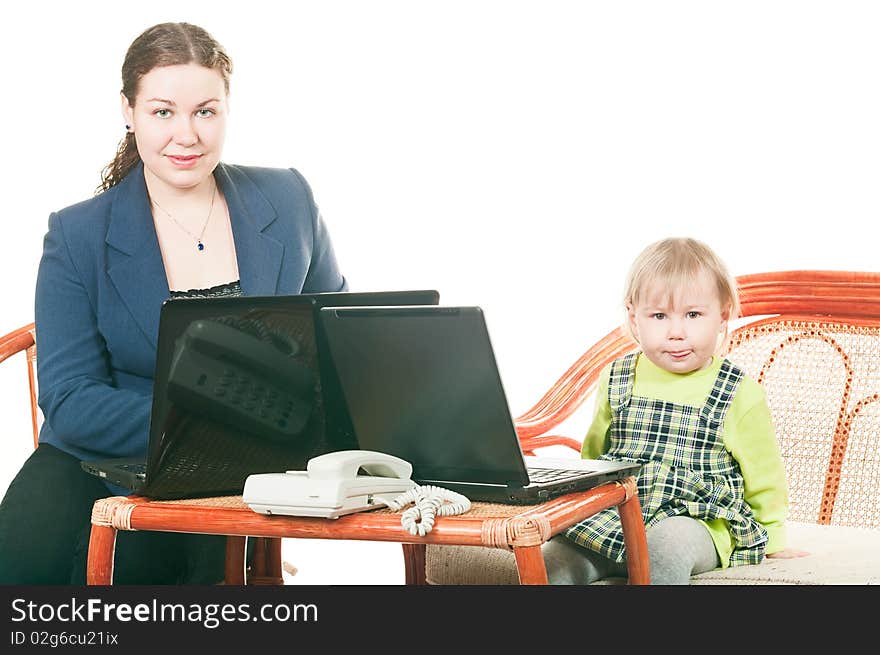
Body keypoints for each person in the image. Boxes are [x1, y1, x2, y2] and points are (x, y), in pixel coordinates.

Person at [0, 22, 346, 584]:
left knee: (152, 571)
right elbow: (69, 399)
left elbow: (339, 345)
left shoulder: (287, 199)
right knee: (25, 557)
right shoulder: (78, 233)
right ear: (128, 111)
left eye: (205, 112)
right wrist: (207, 420)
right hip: (99, 456)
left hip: (239, 471)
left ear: (227, 109)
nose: (186, 135)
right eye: (163, 112)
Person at [542, 237, 805, 584]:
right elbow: (594, 457)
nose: (677, 332)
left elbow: (765, 476)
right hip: (619, 512)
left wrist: (774, 536)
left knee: (665, 550)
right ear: (635, 319)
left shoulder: (737, 391)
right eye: (659, 315)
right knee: (553, 561)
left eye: (693, 314)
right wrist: (584, 505)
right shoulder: (617, 377)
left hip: (699, 519)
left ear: (722, 315)